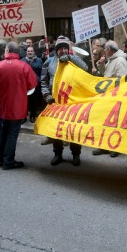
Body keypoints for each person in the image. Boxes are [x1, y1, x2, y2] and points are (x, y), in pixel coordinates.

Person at [0, 41, 37, 170]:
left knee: (3, 131)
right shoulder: (24, 66)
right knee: (12, 134)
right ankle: (8, 160)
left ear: (7, 51)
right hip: (17, 106)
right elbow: (33, 84)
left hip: (2, 106)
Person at [41, 36, 88, 166]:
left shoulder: (74, 60)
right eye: (60, 49)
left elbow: (85, 68)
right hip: (55, 101)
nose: (62, 51)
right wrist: (46, 95)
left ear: (68, 50)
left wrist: (71, 58)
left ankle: (76, 154)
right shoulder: (49, 62)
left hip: (72, 101)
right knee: (56, 129)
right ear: (56, 51)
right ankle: (57, 154)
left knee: (73, 129)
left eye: (64, 48)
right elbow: (43, 81)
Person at [93, 40, 127, 158]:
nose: (104, 52)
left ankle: (115, 147)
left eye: (105, 49)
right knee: (105, 123)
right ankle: (103, 146)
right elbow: (105, 74)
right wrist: (101, 65)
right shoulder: (112, 59)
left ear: (108, 50)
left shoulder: (120, 60)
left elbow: (122, 80)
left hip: (115, 97)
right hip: (107, 96)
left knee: (115, 124)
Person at [21, 45, 43, 123]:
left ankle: (32, 115)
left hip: (35, 84)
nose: (30, 52)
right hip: (25, 85)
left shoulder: (39, 60)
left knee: (34, 101)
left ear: (34, 52)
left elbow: (41, 72)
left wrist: (39, 80)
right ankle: (24, 116)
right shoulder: (22, 61)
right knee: (25, 101)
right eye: (28, 51)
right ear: (26, 52)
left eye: (31, 51)